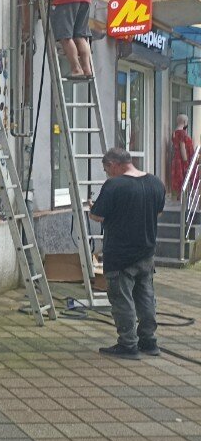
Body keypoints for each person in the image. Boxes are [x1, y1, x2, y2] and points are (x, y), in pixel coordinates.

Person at [89, 148, 166, 360]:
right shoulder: (156, 183)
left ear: (113, 164)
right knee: (146, 297)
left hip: (120, 254)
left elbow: (97, 215)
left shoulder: (114, 185)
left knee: (122, 300)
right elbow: (158, 213)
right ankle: (149, 341)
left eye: (107, 170)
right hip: (147, 252)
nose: (107, 174)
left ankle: (128, 344)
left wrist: (93, 208)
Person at [170, 113, 195, 199]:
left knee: (178, 177)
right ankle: (183, 197)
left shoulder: (174, 133)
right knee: (184, 177)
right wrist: (185, 161)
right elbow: (182, 147)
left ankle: (179, 196)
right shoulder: (182, 133)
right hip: (182, 159)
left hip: (176, 158)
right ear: (184, 122)